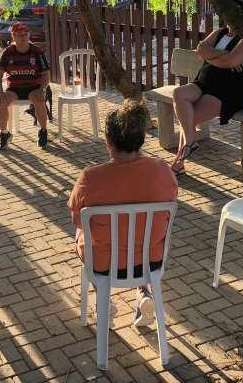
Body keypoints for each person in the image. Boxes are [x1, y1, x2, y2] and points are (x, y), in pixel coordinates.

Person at [68, 101, 178, 327]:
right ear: (141, 139)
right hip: (150, 263)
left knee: (82, 234)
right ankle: (144, 292)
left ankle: (105, 302)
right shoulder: (163, 171)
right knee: (141, 234)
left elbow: (77, 221)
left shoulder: (91, 178)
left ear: (108, 141)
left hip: (104, 265)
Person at [170, 0, 243, 174]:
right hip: (204, 81)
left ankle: (179, 162)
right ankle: (190, 142)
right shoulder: (219, 33)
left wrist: (213, 57)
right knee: (179, 93)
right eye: (227, 13)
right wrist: (222, 55)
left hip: (227, 90)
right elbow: (200, 50)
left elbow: (230, 62)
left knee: (189, 119)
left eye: (235, 14)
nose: (230, 18)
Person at [0, 22, 51, 150]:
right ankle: (4, 133)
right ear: (13, 36)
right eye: (19, 35)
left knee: (38, 98)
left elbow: (46, 74)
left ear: (29, 35)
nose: (23, 37)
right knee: (1, 102)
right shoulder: (7, 52)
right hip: (14, 88)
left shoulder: (37, 51)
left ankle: (43, 131)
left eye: (25, 34)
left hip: (34, 86)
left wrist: (42, 89)